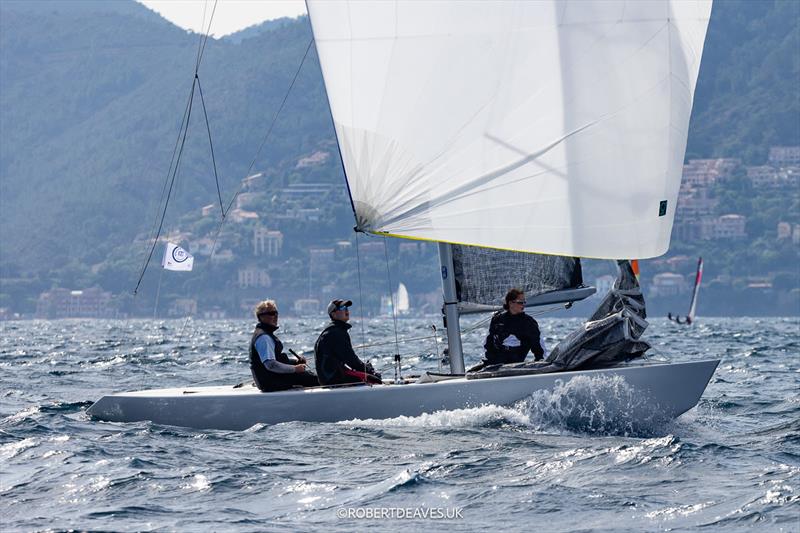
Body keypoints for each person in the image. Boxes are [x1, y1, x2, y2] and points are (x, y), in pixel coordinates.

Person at [249, 300, 319, 392]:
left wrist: (295, 362)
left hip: (272, 380)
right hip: (272, 383)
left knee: (309, 375)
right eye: (271, 313)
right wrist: (295, 369)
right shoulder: (264, 337)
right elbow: (271, 365)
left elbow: (276, 360)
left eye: (276, 313)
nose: (275, 316)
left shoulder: (265, 334)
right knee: (317, 379)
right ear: (261, 317)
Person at [314, 299, 382, 386]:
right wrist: (367, 370)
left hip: (330, 377)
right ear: (333, 314)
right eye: (342, 308)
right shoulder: (336, 333)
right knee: (374, 380)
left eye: (346, 307)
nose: (346, 310)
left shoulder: (335, 330)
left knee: (369, 376)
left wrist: (364, 369)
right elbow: (351, 360)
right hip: (333, 379)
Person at [481, 288, 545, 367]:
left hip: (516, 361)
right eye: (520, 302)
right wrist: (489, 359)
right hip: (495, 362)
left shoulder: (529, 322)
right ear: (510, 303)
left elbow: (538, 345)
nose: (523, 305)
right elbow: (488, 342)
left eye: (524, 302)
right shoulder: (497, 319)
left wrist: (540, 362)